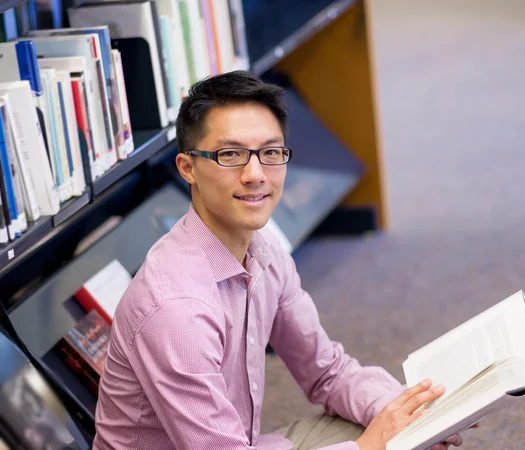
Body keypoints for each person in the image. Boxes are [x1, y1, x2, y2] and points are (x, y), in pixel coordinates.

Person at [93, 71, 472, 450]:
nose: (256, 175)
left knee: (412, 436)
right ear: (187, 168)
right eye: (230, 155)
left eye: (270, 153)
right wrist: (369, 446)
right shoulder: (177, 309)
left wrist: (406, 412)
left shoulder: (264, 252)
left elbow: (328, 373)